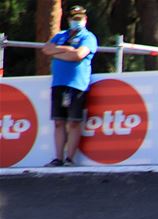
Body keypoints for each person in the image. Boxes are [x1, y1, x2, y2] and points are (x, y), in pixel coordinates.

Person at [40, 5, 97, 167]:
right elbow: (46, 49)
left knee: (73, 122)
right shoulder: (61, 35)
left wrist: (58, 53)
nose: (77, 22)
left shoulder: (89, 37)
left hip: (77, 85)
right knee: (58, 121)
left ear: (85, 20)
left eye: (80, 19)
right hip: (58, 83)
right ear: (69, 20)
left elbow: (79, 55)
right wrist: (67, 49)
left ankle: (70, 158)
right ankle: (58, 157)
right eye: (74, 19)